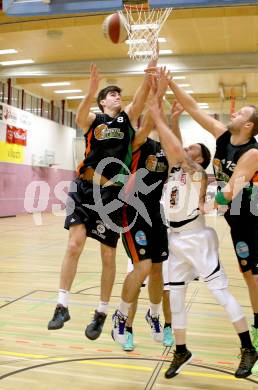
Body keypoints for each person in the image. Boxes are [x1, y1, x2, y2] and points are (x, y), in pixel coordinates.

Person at [168, 78, 258, 373]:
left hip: (255, 216)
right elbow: (194, 108)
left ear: (248, 125)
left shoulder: (252, 153)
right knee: (249, 277)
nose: (232, 115)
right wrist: (171, 84)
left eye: (239, 114)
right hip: (237, 218)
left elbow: (232, 189)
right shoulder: (222, 136)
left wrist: (207, 202)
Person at [147, 84, 258, 379]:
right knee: (176, 298)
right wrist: (170, 118)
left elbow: (173, 145)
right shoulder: (176, 168)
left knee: (220, 293)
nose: (186, 148)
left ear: (199, 158)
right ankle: (181, 351)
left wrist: (155, 110)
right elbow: (175, 145)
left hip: (196, 238)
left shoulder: (198, 173)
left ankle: (248, 347)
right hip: (175, 239)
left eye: (192, 149)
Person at [47, 58, 156, 340]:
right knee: (74, 244)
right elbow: (80, 116)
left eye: (118, 93)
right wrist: (91, 88)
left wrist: (149, 72)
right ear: (102, 102)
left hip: (111, 195)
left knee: (107, 254)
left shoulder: (127, 119)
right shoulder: (95, 120)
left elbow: (142, 97)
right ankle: (62, 304)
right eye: (111, 93)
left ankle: (101, 312)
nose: (117, 95)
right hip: (83, 188)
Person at [111, 68, 171, 347]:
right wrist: (156, 90)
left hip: (155, 212)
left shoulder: (163, 148)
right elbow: (148, 119)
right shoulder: (134, 142)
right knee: (143, 266)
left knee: (157, 270)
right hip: (131, 211)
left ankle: (154, 315)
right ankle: (121, 317)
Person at [122, 258, 173, 351]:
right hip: (139, 246)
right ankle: (128, 331)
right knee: (134, 290)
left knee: (167, 290)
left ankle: (168, 327)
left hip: (163, 247)